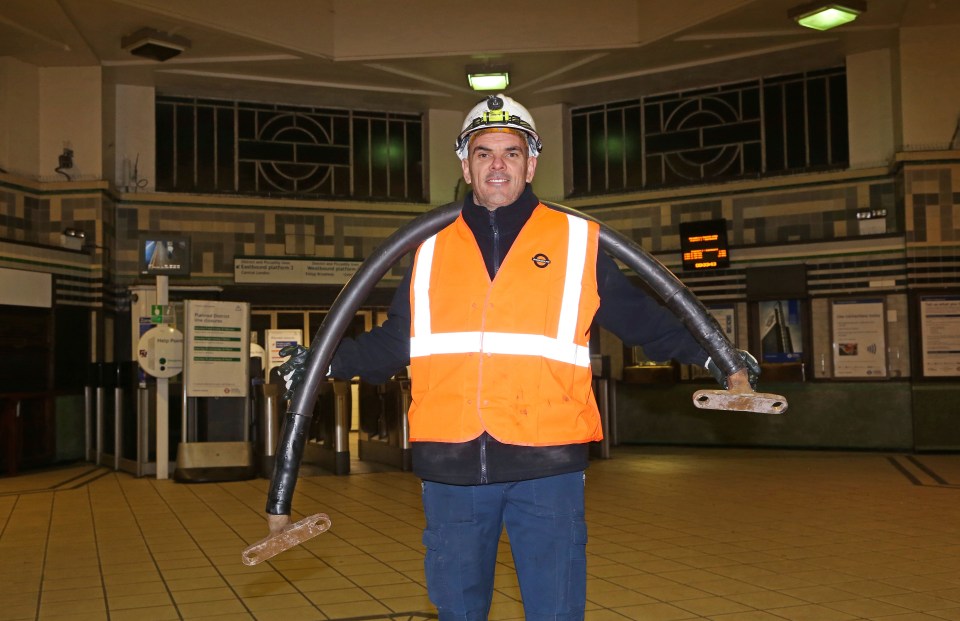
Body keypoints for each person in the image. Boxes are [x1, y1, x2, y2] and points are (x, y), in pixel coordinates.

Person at [281, 94, 758, 621]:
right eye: (484, 153)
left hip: (545, 465)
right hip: (452, 468)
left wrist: (719, 357)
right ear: (465, 165)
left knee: (555, 609)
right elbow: (399, 340)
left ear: (532, 163)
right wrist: (328, 362)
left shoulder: (578, 242)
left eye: (511, 152)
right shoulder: (428, 248)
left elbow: (647, 324)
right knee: (458, 610)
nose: (498, 164)